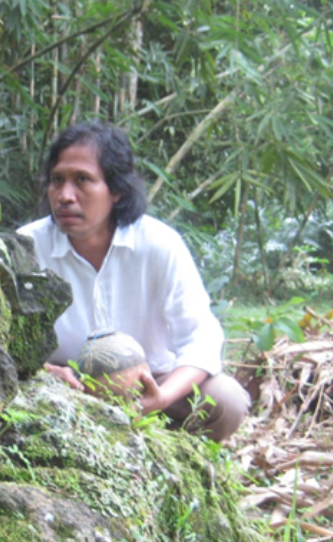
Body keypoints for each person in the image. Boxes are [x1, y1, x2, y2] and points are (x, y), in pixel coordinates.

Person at [16, 121, 249, 443]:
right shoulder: (25, 247)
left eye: (82, 180)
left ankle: (176, 459)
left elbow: (201, 339)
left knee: (227, 401)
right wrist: (42, 371)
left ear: (117, 190)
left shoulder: (159, 244)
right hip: (60, 385)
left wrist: (163, 396)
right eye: (57, 180)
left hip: (150, 382)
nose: (65, 196)